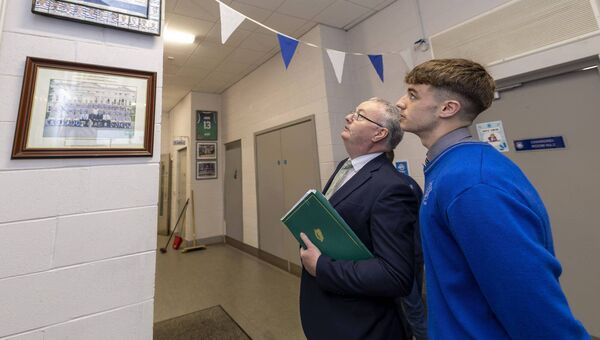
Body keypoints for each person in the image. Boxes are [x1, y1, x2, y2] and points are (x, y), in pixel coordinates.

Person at [395, 58, 589, 339]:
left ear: (448, 108)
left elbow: (530, 301)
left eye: (413, 95)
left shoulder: (473, 181)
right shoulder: (449, 168)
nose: (400, 103)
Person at [299, 97, 420, 340]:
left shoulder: (391, 187)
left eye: (359, 115)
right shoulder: (346, 166)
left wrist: (321, 266)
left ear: (379, 134)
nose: (348, 117)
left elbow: (395, 276)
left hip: (359, 325)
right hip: (328, 313)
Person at [386, 151, 428, 340]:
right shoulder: (409, 182)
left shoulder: (387, 186)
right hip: (416, 254)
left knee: (412, 309)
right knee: (414, 304)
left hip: (401, 259)